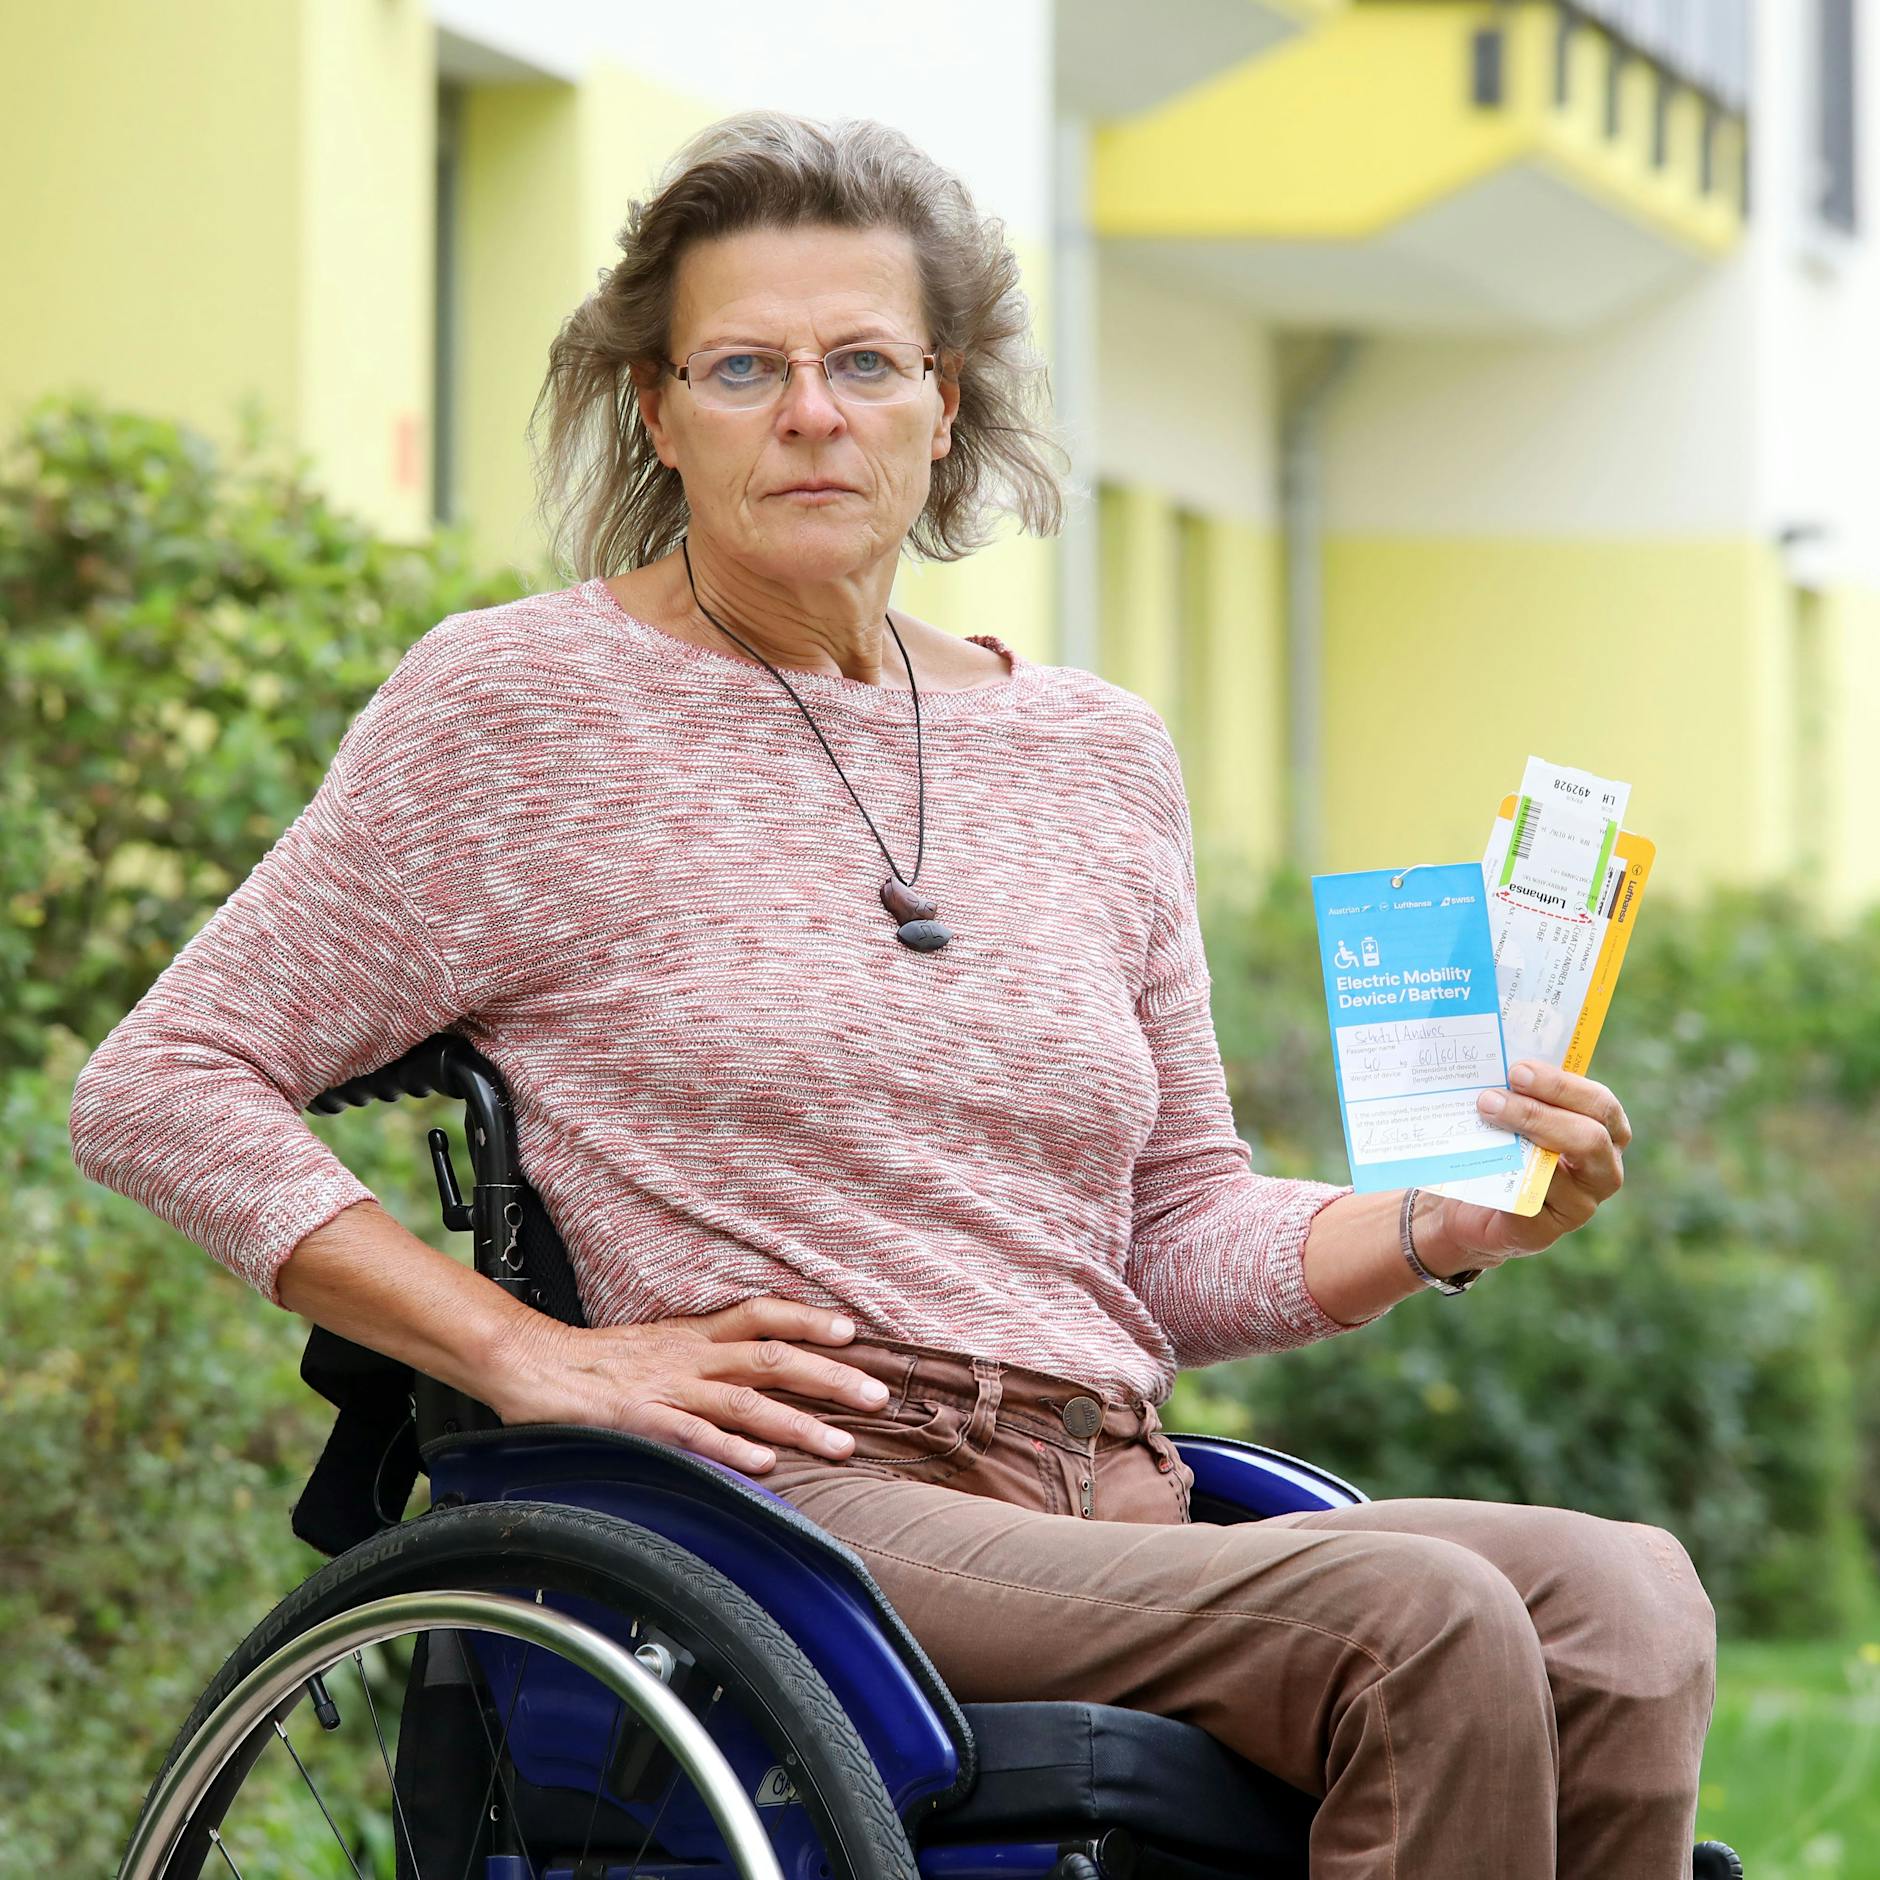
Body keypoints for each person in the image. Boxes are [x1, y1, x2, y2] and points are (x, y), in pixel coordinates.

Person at [69, 109, 1714, 1877]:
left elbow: (1168, 1233)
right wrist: (526, 1355)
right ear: (656, 410)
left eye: (864, 361)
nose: (810, 411)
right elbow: (164, 1084)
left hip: (1108, 1483)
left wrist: (1444, 1223)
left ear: (947, 402)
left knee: (1627, 1601)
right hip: (799, 1503)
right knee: (1418, 1621)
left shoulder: (1093, 753)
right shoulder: (521, 710)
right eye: (743, 365)